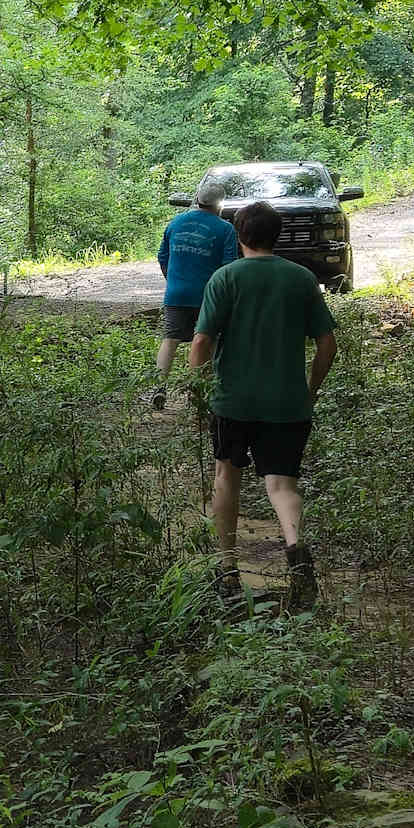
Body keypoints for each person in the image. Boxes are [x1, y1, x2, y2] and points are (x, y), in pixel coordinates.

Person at [191, 201, 339, 610]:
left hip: (232, 400)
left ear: (238, 235)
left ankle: (227, 571)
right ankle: (295, 553)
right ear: (277, 234)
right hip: (287, 403)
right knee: (282, 484)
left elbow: (201, 342)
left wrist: (199, 389)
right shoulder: (301, 278)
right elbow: (327, 343)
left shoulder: (225, 278)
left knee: (226, 476)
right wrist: (310, 389)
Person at [151, 181, 240, 411]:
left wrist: (173, 281)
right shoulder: (225, 229)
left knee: (170, 339)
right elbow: (228, 266)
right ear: (220, 203)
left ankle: (159, 388)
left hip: (176, 293)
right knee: (206, 341)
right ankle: (197, 392)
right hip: (208, 296)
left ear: (197, 198)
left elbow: (163, 257)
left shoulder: (176, 222)